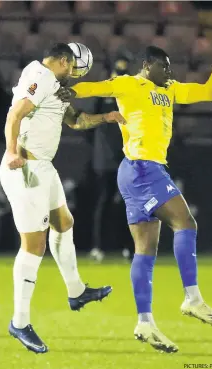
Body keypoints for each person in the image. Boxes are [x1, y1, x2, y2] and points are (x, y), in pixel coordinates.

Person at [64, 24, 212, 353]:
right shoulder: (130, 84)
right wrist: (65, 87)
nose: (169, 71)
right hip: (142, 167)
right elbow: (93, 88)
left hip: (137, 170)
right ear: (147, 65)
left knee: (145, 249)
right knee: (186, 223)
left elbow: (210, 92)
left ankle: (145, 321)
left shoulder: (169, 89)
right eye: (164, 65)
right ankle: (192, 297)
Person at [0, 43, 125, 354]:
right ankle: (20, 322)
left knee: (63, 223)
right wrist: (13, 151)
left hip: (43, 166)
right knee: (34, 245)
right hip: (26, 167)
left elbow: (76, 121)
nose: (74, 77)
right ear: (64, 60)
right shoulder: (40, 75)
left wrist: (107, 116)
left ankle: (76, 291)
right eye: (75, 70)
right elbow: (15, 114)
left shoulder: (52, 83)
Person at [91, 57, 131, 261]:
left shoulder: (130, 96)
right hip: (107, 160)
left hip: (126, 157)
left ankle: (128, 247)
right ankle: (99, 246)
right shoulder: (103, 95)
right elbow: (93, 126)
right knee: (105, 201)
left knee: (128, 202)